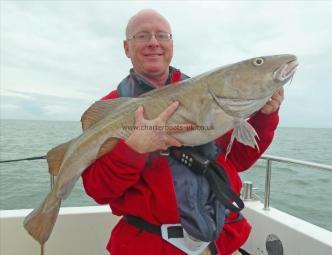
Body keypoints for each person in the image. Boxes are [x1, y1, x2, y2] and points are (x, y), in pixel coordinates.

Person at [81, 9, 284, 255]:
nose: (153, 42)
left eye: (162, 35)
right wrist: (133, 150)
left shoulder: (208, 93)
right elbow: (99, 190)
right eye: (142, 36)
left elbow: (238, 160)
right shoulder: (111, 108)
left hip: (218, 241)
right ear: (127, 48)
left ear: (171, 44)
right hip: (150, 246)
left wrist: (264, 116)